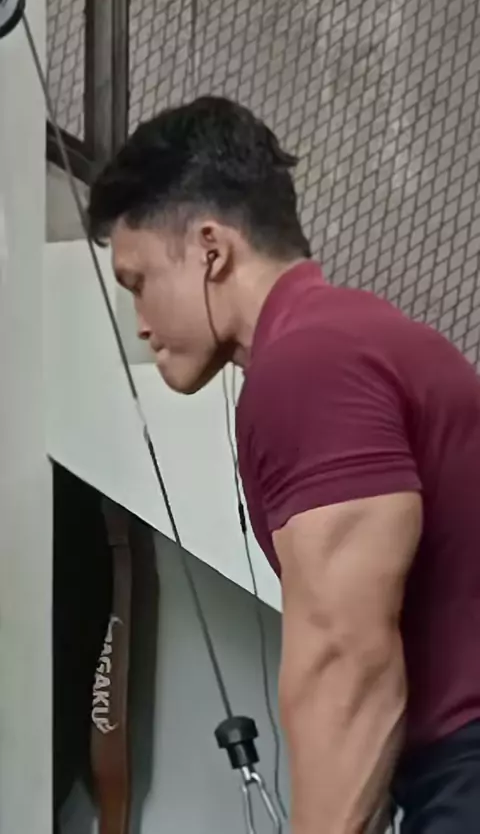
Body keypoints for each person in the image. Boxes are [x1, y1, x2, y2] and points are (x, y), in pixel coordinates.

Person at [88, 95, 480, 833]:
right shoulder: (357, 335)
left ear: (210, 249)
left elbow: (346, 660)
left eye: (139, 282)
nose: (139, 323)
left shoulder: (310, 364)